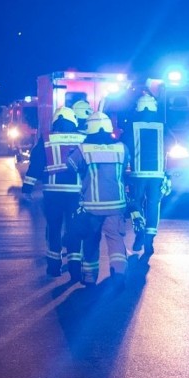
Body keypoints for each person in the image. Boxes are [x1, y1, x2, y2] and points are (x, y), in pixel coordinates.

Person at [66, 111, 131, 287]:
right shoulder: (122, 148)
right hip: (116, 205)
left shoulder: (83, 149)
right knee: (115, 239)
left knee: (91, 240)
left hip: (91, 207)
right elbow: (126, 168)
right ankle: (119, 272)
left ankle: (89, 277)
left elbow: (70, 166)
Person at [22, 104, 86, 276]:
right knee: (74, 228)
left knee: (54, 228)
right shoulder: (82, 138)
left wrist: (27, 187)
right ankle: (74, 266)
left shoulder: (47, 138)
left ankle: (53, 266)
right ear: (73, 120)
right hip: (76, 192)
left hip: (52, 192)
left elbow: (36, 163)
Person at [123, 91, 166, 266]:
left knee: (135, 203)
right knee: (154, 205)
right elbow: (172, 147)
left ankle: (139, 228)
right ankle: (150, 239)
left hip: (137, 175)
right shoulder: (163, 126)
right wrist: (168, 174)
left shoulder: (132, 126)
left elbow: (123, 148)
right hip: (157, 175)